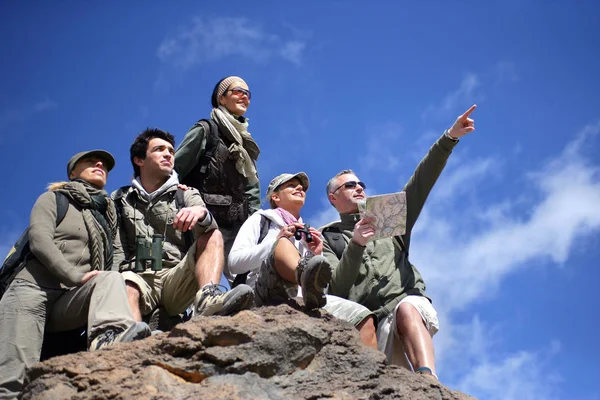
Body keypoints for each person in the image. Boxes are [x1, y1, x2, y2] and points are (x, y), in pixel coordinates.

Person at [321, 105, 478, 379]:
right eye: (349, 185)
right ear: (333, 198)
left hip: (405, 306)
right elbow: (336, 288)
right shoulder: (328, 237)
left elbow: (420, 183)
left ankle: (429, 381)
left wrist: (449, 138)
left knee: (407, 307)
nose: (359, 187)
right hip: (372, 325)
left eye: (361, 183)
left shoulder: (384, 217)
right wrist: (356, 244)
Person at [0, 150, 150, 398]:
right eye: (90, 161)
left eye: (103, 164)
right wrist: (74, 276)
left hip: (69, 299)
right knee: (13, 382)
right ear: (72, 173)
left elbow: (117, 260)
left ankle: (109, 340)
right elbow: (40, 241)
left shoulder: (107, 217)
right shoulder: (54, 199)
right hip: (31, 290)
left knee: (113, 278)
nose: (100, 164)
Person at [113, 128, 254, 323]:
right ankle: (129, 336)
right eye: (159, 149)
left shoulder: (186, 193)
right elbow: (116, 248)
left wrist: (202, 214)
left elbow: (205, 222)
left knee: (213, 234)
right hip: (138, 277)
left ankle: (208, 299)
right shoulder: (120, 199)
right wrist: (112, 285)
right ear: (139, 160)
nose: (168, 154)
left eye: (171, 151)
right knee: (126, 283)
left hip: (176, 276)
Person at [228, 172, 378, 349]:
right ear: (275, 197)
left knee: (362, 317)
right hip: (266, 290)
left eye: (302, 187)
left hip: (305, 298)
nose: (300, 188)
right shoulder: (261, 219)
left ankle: (373, 374)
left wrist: (316, 253)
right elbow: (234, 263)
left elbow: (324, 288)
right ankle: (303, 275)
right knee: (282, 244)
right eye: (291, 185)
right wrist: (276, 242)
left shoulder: (308, 233)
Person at [175, 76, 260, 284]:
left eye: (248, 94)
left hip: (237, 223)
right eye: (238, 91)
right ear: (221, 99)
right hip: (202, 220)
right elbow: (175, 168)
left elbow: (251, 187)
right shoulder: (206, 130)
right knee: (195, 280)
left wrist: (256, 221)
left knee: (246, 280)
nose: (245, 97)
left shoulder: (245, 142)